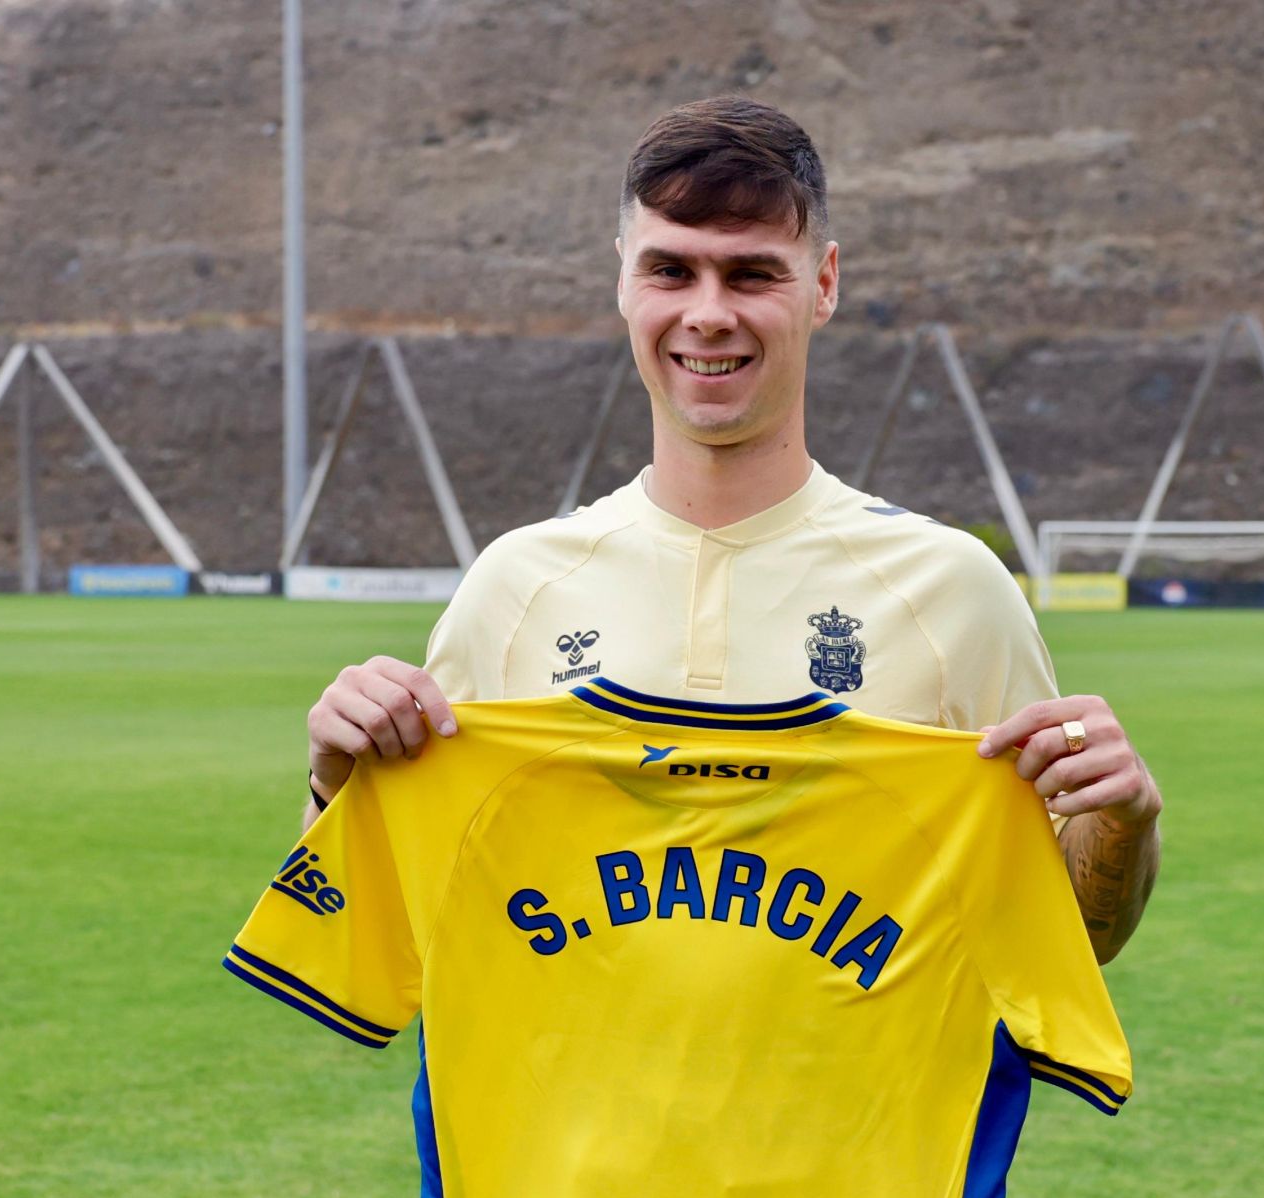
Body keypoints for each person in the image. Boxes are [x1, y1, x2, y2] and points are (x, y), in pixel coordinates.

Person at [302, 96, 1160, 963]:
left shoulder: (950, 589)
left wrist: (1121, 821)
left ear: (824, 284)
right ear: (623, 279)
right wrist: (335, 786)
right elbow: (391, 934)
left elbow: (1071, 937)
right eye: (670, 271)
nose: (709, 314)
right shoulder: (516, 588)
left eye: (752, 274)